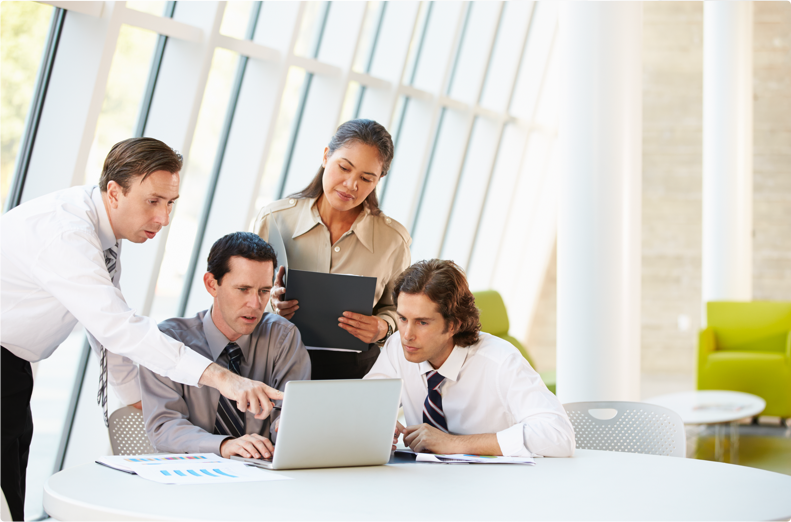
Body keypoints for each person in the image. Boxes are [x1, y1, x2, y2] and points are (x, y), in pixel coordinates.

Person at [0, 138, 281, 522]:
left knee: (11, 489)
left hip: (12, 370)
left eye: (170, 203)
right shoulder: (66, 235)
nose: (164, 219)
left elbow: (106, 328)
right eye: (153, 202)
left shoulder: (101, 233)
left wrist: (136, 399)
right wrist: (225, 380)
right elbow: (119, 328)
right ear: (114, 192)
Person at [365, 259, 575, 457]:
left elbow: (559, 435)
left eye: (422, 322)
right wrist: (379, 419)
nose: (407, 334)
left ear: (453, 325)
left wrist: (453, 444)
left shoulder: (500, 360)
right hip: (424, 484)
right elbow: (364, 404)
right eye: (402, 319)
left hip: (499, 484)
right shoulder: (397, 348)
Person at [253, 119, 411, 380]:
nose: (351, 185)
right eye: (344, 168)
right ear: (326, 156)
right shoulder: (275, 220)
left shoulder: (393, 240)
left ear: (378, 180)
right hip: (275, 362)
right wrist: (272, 304)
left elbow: (400, 309)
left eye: (366, 178)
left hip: (352, 373)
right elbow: (244, 291)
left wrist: (383, 327)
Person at [140, 232, 310, 459]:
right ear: (212, 285)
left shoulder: (282, 337)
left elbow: (291, 415)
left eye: (263, 291)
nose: (256, 304)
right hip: (189, 477)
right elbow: (164, 427)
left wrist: (288, 427)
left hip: (261, 478)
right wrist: (224, 445)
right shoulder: (168, 342)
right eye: (243, 289)